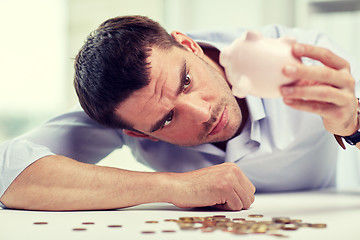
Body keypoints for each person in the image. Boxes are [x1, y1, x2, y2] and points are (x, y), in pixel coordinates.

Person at [0, 15, 359, 211]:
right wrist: (172, 186)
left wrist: (355, 125)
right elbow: (7, 171)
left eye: (186, 81)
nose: (202, 113)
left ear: (188, 44)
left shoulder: (300, 59)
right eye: (167, 120)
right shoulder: (123, 115)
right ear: (139, 134)